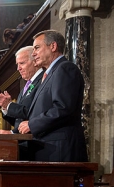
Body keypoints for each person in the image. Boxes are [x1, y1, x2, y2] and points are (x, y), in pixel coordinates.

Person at [18, 30, 87, 162]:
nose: (33, 54)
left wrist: (32, 124)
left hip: (60, 149)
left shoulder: (65, 68)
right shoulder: (49, 74)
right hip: (48, 147)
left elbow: (63, 108)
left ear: (53, 46)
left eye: (37, 48)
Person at [0, 46, 44, 135]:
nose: (18, 68)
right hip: (23, 142)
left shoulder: (43, 81)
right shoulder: (27, 85)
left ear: (35, 61)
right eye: (17, 64)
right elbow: (20, 120)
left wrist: (12, 132)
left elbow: (35, 115)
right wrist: (6, 108)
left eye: (22, 63)